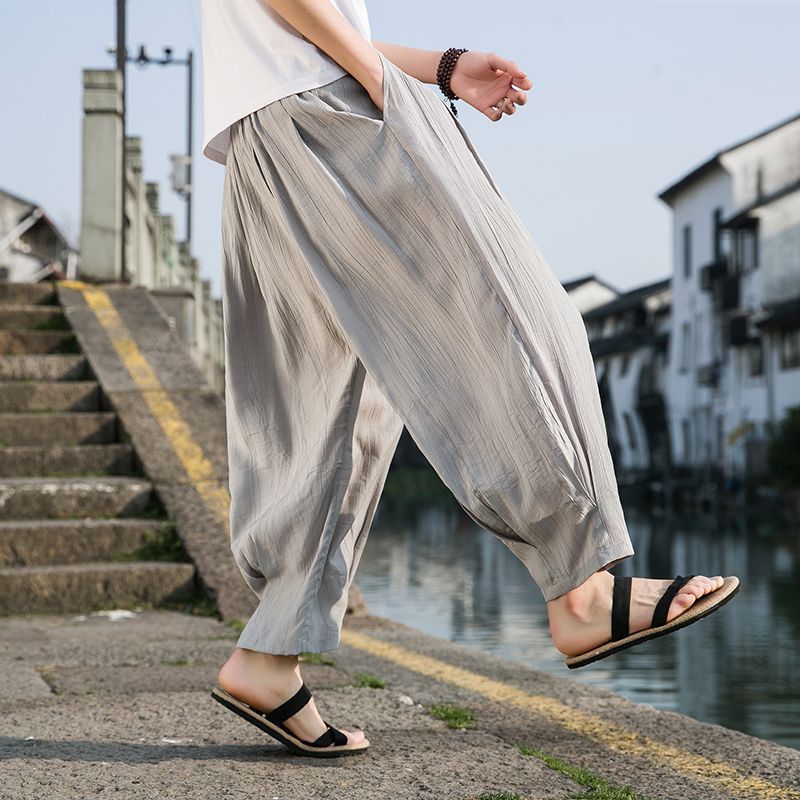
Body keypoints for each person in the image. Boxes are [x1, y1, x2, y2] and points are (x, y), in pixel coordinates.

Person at [200, 0, 739, 757]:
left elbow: (294, 25)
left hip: (267, 135)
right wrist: (385, 86)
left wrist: (440, 70)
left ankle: (269, 651)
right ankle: (581, 583)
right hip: (328, 114)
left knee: (330, 397)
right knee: (510, 317)